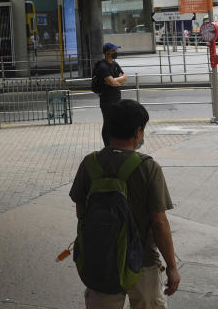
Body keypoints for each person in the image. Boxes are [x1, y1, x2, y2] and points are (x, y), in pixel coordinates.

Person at [69, 100, 179, 308]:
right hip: (143, 260)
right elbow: (159, 223)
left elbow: (81, 212)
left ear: (108, 129)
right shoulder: (149, 168)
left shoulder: (90, 163)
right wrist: (172, 266)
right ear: (138, 132)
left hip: (100, 259)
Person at [93, 42, 127, 147]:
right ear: (108, 53)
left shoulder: (115, 64)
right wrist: (115, 81)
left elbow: (124, 77)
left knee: (116, 122)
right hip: (107, 100)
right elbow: (112, 82)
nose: (116, 52)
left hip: (117, 98)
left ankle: (114, 144)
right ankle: (108, 146)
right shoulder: (102, 66)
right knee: (108, 123)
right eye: (114, 51)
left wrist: (114, 81)